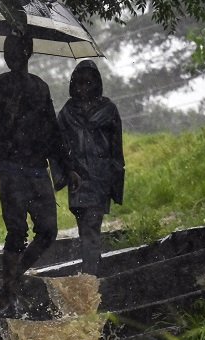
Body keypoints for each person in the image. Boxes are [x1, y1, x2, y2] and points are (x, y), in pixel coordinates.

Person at [0, 31, 79, 312]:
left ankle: (7, 283)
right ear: (6, 55)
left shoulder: (39, 88)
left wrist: (67, 167)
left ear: (28, 53)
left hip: (37, 170)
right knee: (16, 233)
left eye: (20, 50)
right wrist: (5, 121)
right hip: (11, 169)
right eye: (11, 50)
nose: (15, 56)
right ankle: (7, 291)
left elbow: (53, 133)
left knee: (48, 231)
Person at [57, 60, 125, 276]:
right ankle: (93, 272)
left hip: (100, 178)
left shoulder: (108, 109)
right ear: (73, 85)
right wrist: (66, 173)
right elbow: (57, 145)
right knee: (85, 230)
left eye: (88, 83)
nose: (83, 88)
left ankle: (90, 276)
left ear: (96, 84)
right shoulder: (67, 112)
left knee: (92, 227)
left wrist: (116, 181)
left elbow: (117, 150)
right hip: (77, 179)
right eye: (79, 83)